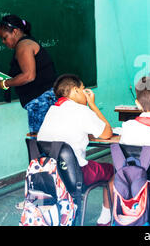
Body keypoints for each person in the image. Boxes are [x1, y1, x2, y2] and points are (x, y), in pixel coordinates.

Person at [37, 74, 114, 226]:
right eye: (83, 89)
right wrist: (92, 105)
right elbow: (107, 133)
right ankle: (105, 219)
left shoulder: (51, 110)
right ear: (75, 90)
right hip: (75, 173)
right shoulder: (81, 110)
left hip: (49, 175)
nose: (86, 93)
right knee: (114, 170)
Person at [0, 15, 58, 134]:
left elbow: (28, 76)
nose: (3, 42)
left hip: (41, 102)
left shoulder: (23, 46)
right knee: (52, 142)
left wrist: (3, 83)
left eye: (4, 37)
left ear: (15, 31)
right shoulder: (27, 43)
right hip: (47, 100)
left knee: (44, 145)